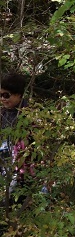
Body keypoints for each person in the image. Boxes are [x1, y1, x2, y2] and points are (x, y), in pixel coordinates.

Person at [0, 72, 31, 207]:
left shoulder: (29, 114)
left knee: (14, 205)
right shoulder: (2, 113)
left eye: (6, 95)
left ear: (18, 94)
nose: (2, 99)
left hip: (22, 171)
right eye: (0, 95)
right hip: (3, 166)